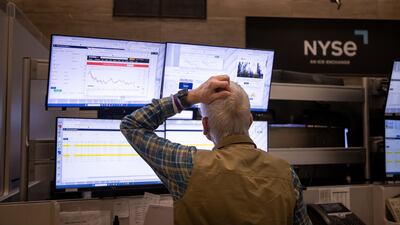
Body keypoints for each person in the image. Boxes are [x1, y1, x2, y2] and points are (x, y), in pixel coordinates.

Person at [120, 75, 312, 225]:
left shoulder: (187, 166)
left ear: (205, 126)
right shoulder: (286, 174)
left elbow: (133, 125)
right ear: (251, 121)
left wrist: (190, 97)